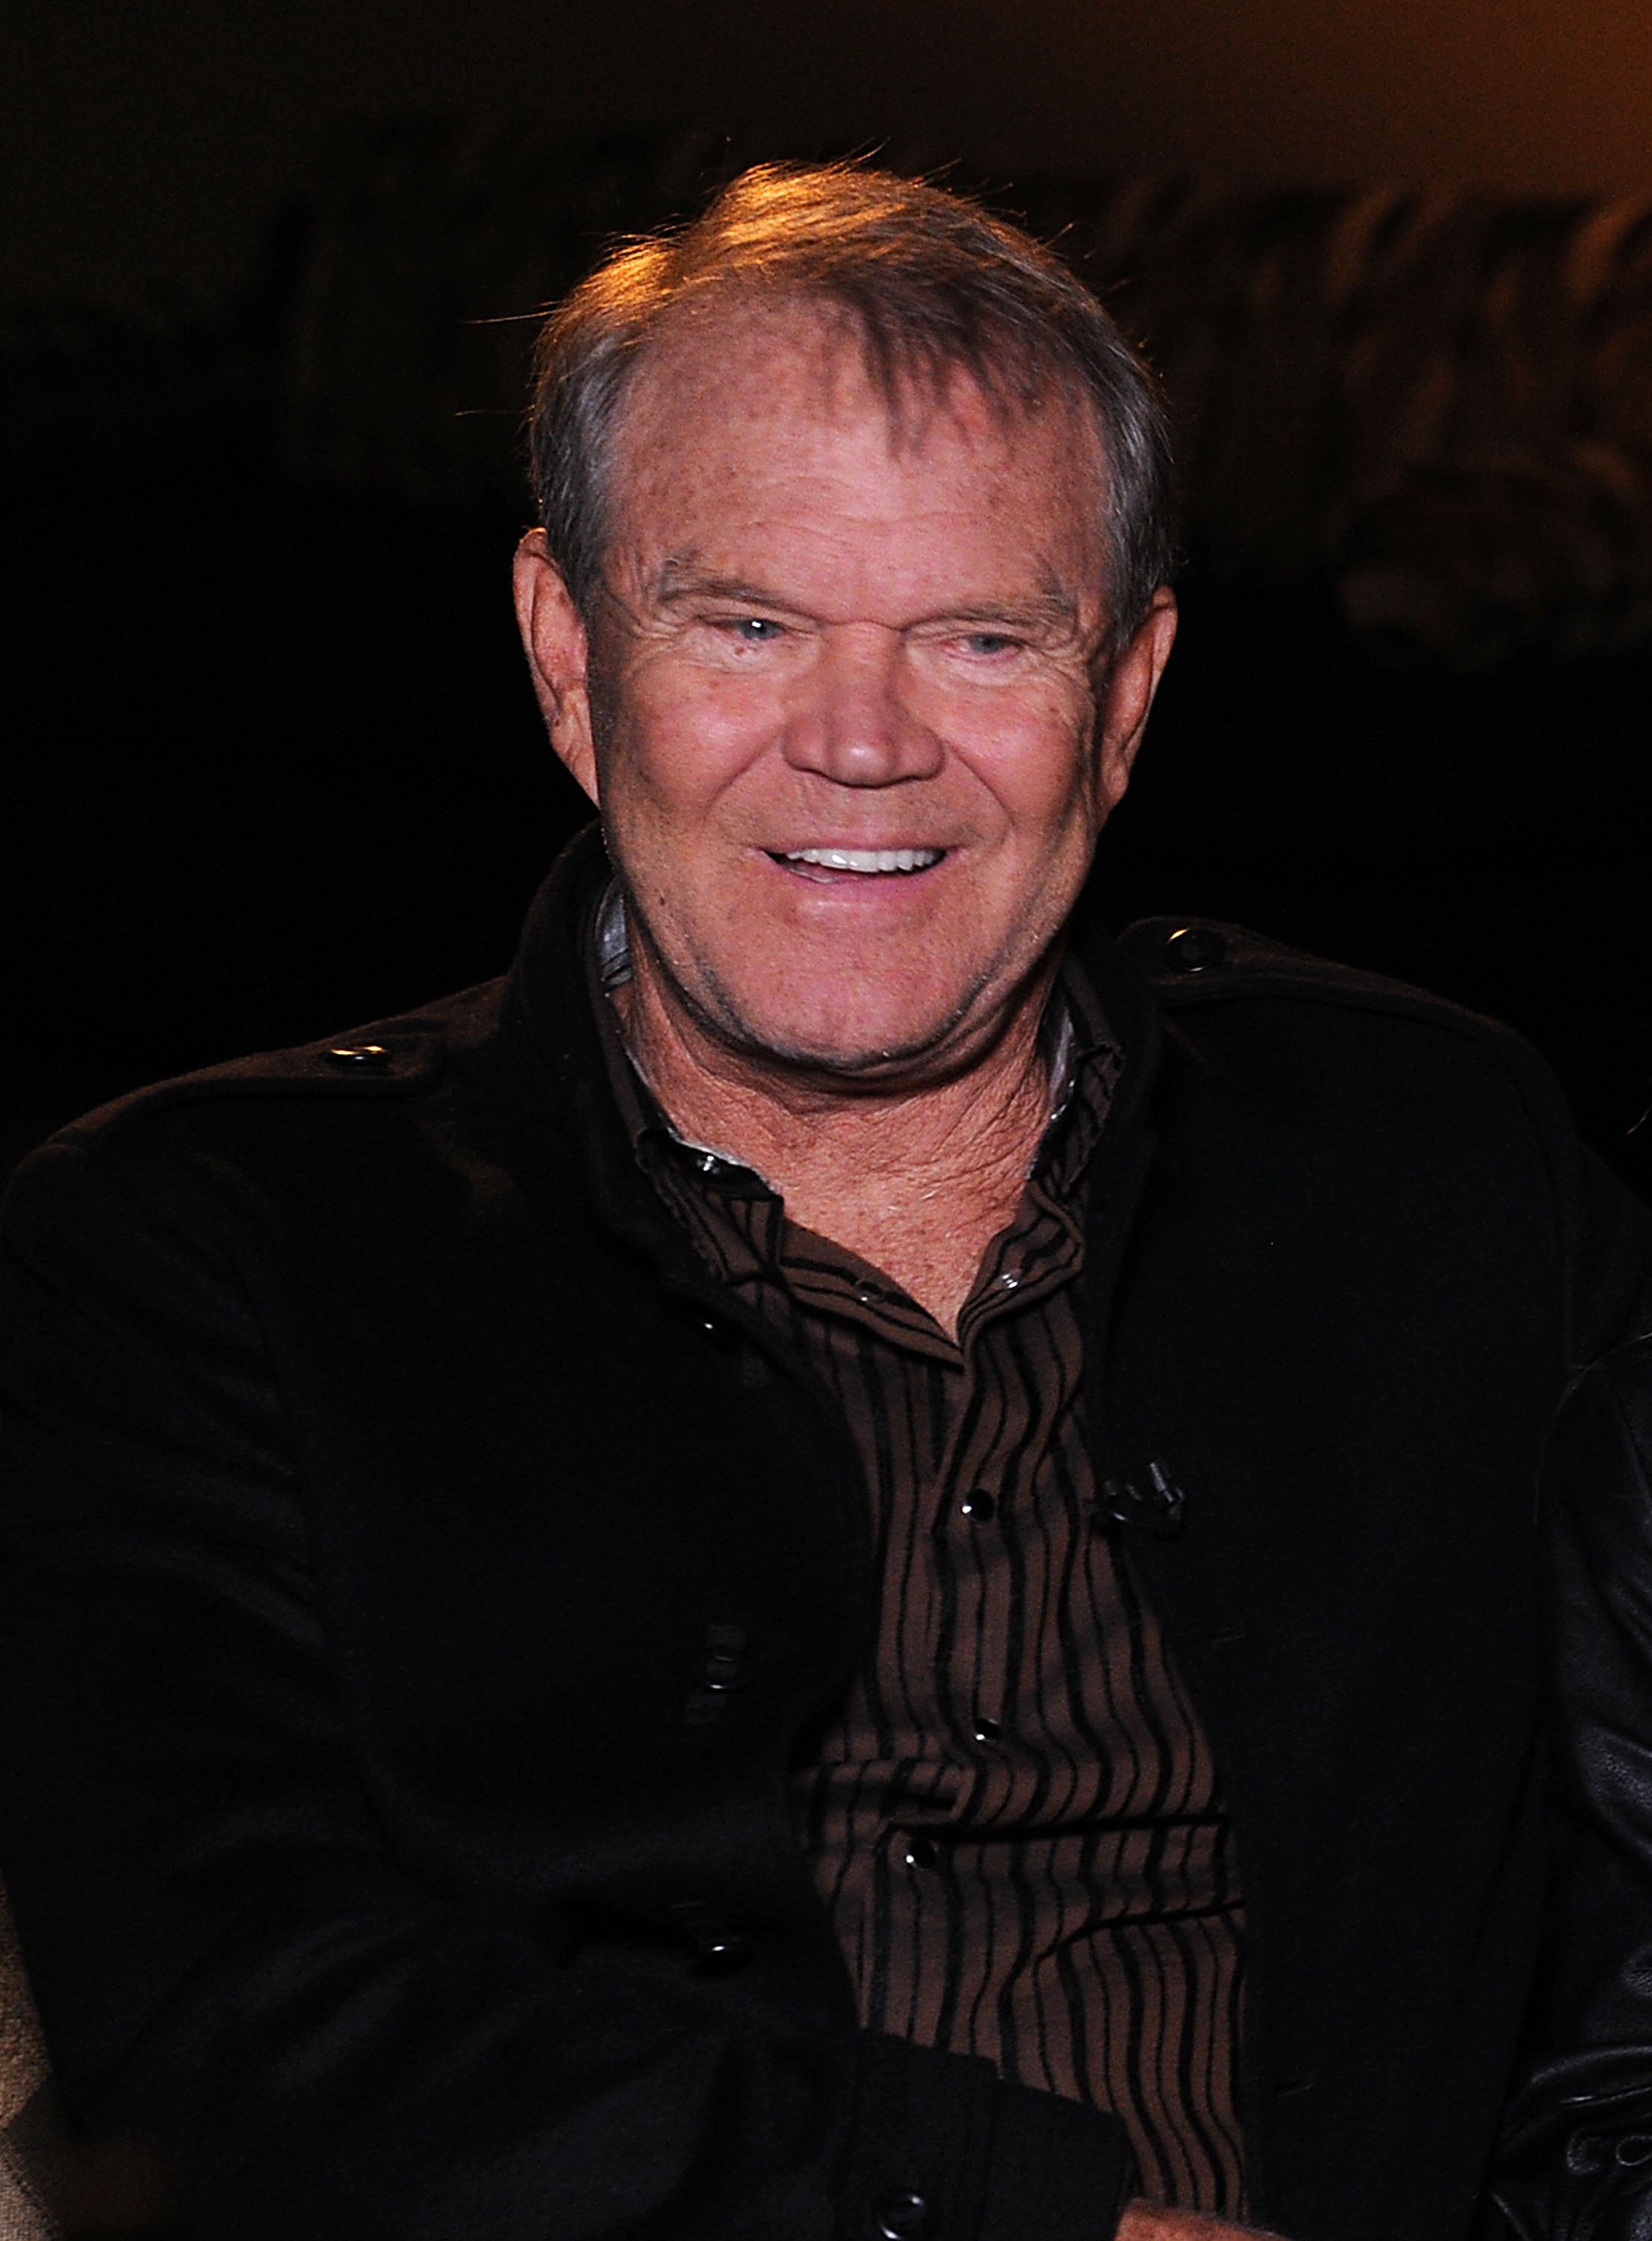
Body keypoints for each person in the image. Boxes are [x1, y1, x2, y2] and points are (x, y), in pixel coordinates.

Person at [1, 161, 1648, 2241]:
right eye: (750, 622)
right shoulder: (202, 1248)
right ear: (566, 655)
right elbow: (235, 2030)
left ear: (1124, 696)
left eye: (978, 635)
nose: (862, 744)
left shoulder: (1437, 1165)